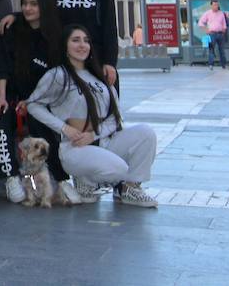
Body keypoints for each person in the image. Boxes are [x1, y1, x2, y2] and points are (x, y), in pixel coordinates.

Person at [26, 25, 158, 208]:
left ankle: (129, 188)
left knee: (146, 133)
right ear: (65, 45)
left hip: (101, 141)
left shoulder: (99, 76)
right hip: (75, 147)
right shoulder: (58, 75)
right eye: (75, 40)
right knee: (120, 169)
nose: (82, 45)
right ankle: (87, 180)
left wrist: (93, 135)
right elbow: (33, 105)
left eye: (86, 41)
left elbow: (114, 118)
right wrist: (65, 128)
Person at [0, 0, 77, 204]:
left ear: (44, 6)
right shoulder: (13, 29)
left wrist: (33, 101)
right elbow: (2, 67)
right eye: (24, 4)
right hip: (12, 94)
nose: (27, 9)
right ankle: (10, 178)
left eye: (33, 4)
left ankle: (62, 180)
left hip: (42, 99)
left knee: (41, 122)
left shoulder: (56, 36)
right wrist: (0, 96)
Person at [197, 1, 229, 70]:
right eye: (214, 5)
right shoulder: (207, 13)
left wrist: (224, 29)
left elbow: (224, 23)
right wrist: (206, 30)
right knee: (211, 50)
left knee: (222, 50)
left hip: (220, 34)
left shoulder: (221, 13)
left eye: (217, 5)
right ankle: (211, 65)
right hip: (212, 34)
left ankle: (224, 65)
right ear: (211, 6)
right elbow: (200, 23)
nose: (216, 6)